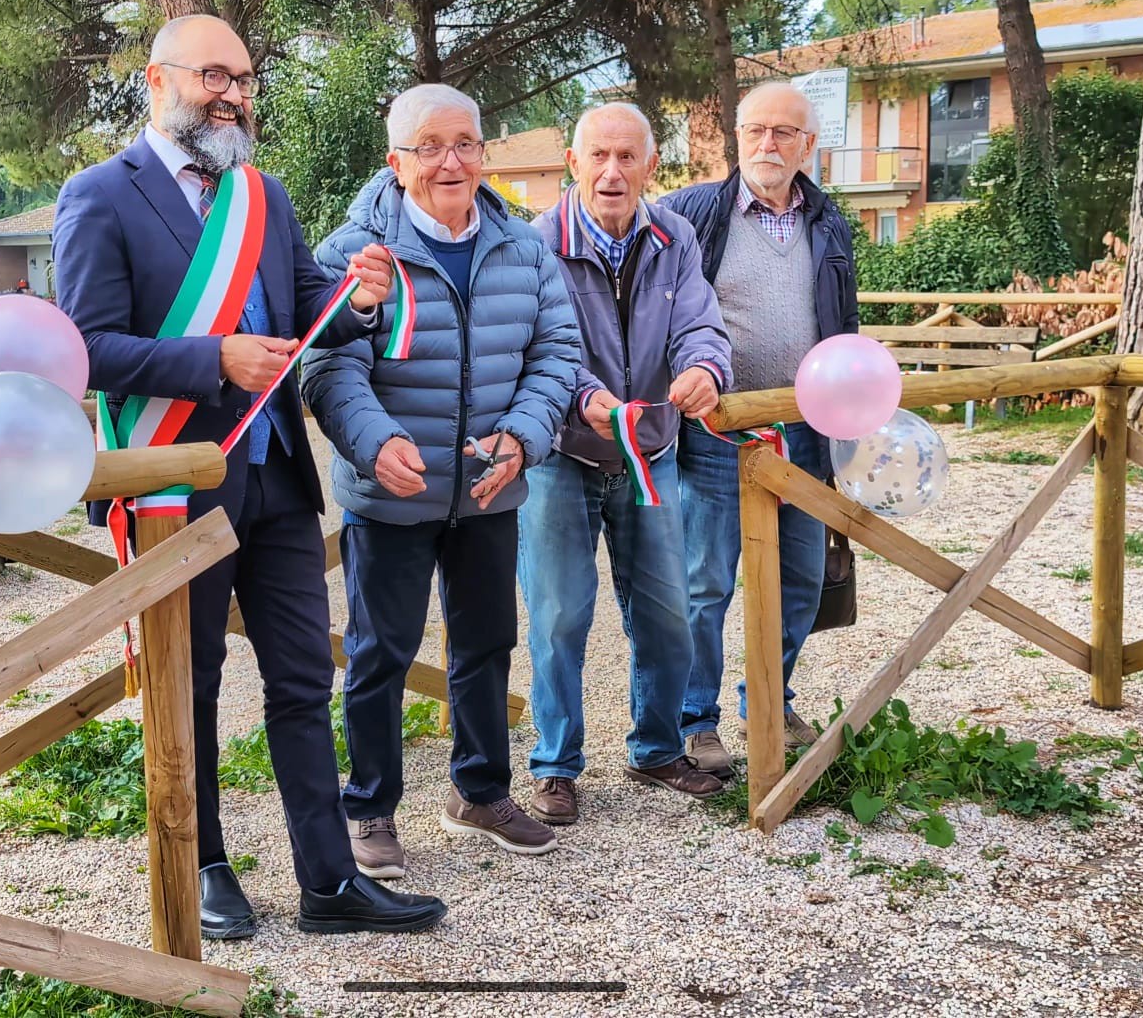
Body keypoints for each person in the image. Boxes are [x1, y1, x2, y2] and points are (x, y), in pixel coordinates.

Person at [52, 14, 445, 938]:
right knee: (188, 682)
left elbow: (304, 304)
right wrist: (213, 359)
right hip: (174, 482)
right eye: (212, 76)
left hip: (275, 477)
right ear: (157, 81)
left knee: (303, 678)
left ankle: (329, 880)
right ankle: (203, 866)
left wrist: (357, 299)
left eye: (242, 78)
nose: (231, 94)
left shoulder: (260, 194)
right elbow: (86, 346)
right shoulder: (99, 194)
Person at [304, 83, 580, 876]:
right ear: (396, 161)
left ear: (484, 154)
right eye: (428, 147)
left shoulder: (524, 247)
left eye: (464, 144)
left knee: (487, 643)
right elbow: (327, 364)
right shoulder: (351, 252)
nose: (449, 162)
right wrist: (374, 442)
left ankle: (480, 792)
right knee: (380, 652)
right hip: (392, 491)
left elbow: (556, 352)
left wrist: (522, 436)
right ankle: (369, 807)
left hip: (488, 489)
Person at [521, 103, 731, 824]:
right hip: (562, 455)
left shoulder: (675, 236)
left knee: (668, 612)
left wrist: (704, 367)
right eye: (598, 156)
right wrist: (583, 396)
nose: (612, 172)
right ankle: (555, 764)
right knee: (558, 615)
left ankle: (657, 748)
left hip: (653, 452)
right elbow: (539, 343)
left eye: (627, 157)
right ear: (573, 165)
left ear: (650, 165)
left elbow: (699, 322)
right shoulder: (536, 244)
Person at [660, 82, 861, 776]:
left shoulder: (829, 222)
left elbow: (842, 320)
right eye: (755, 130)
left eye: (783, 132)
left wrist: (848, 417)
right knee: (705, 582)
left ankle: (767, 700)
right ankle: (695, 720)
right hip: (718, 429)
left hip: (805, 429)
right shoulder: (691, 213)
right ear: (737, 138)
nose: (767, 144)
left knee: (801, 578)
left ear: (808, 145)